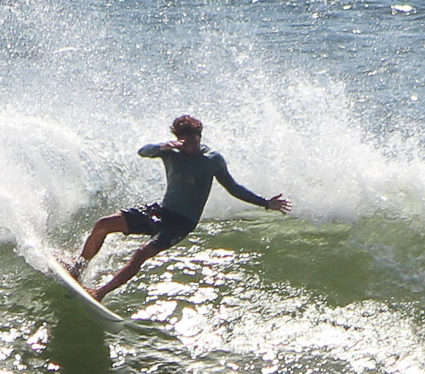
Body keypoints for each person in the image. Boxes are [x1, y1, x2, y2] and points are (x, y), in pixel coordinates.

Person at [67, 115, 292, 302]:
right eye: (187, 142)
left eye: (195, 141)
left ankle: (100, 293)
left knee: (141, 253)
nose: (191, 147)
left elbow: (234, 188)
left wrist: (265, 203)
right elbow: (143, 151)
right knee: (103, 225)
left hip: (182, 222)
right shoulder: (170, 152)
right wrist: (161, 147)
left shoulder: (212, 160)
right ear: (179, 139)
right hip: (161, 212)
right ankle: (78, 268)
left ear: (200, 137)